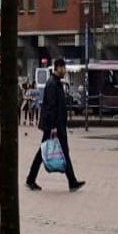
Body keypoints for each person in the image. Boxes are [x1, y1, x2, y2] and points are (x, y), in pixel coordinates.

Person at [26, 58, 85, 191]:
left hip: (58, 125)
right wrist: (53, 127)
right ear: (57, 68)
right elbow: (51, 107)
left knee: (59, 151)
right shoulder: (52, 84)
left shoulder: (56, 83)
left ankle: (72, 181)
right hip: (54, 126)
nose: (65, 71)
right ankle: (31, 179)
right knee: (44, 152)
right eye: (63, 68)